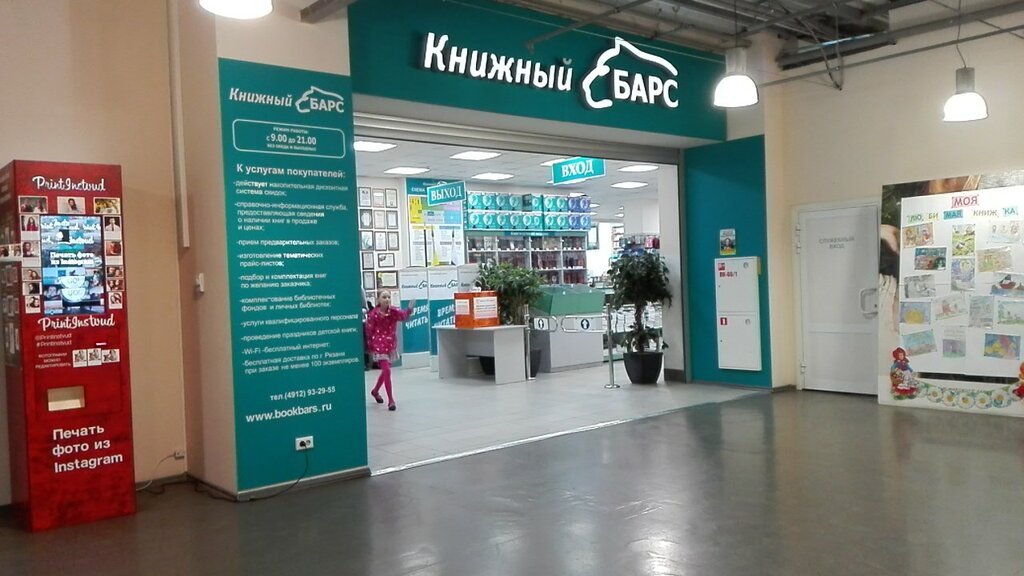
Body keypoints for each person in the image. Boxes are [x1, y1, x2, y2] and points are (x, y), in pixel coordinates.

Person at [363, 290, 415, 411]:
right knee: (387, 370)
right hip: (379, 345)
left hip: (390, 345)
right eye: (384, 297)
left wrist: (409, 309)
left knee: (385, 371)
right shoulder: (373, 314)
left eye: (388, 297)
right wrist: (370, 347)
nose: (387, 299)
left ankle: (375, 391)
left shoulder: (393, 311)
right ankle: (391, 400)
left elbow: (403, 316)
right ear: (378, 300)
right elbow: (369, 331)